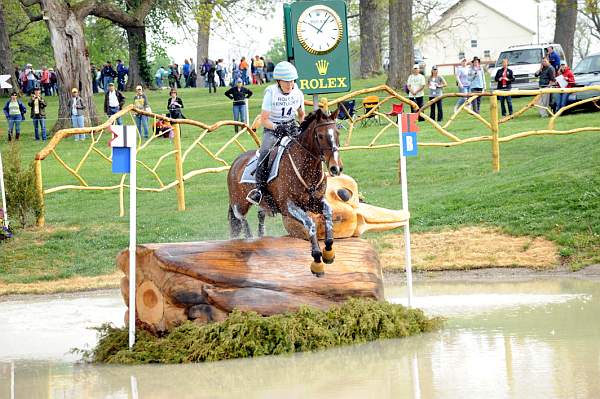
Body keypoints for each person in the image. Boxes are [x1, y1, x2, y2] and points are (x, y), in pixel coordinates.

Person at [246, 61, 305, 205]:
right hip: (273, 129)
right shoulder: (271, 93)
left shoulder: (298, 93)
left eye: (292, 81)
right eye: (286, 82)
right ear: (278, 81)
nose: (290, 85)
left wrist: (302, 127)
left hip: (291, 127)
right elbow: (264, 120)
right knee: (265, 151)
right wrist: (277, 127)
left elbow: (302, 115)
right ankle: (259, 190)